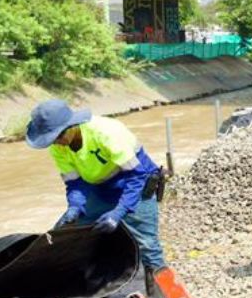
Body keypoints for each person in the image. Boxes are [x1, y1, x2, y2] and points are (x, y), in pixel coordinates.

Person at [28, 99, 167, 277]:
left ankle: (162, 291)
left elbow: (136, 175)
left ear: (71, 126)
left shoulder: (106, 132)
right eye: (51, 140)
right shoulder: (58, 147)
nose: (56, 143)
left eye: (57, 137)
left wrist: (119, 211)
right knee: (69, 232)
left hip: (135, 184)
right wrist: (75, 206)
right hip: (100, 188)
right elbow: (74, 182)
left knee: (147, 245)